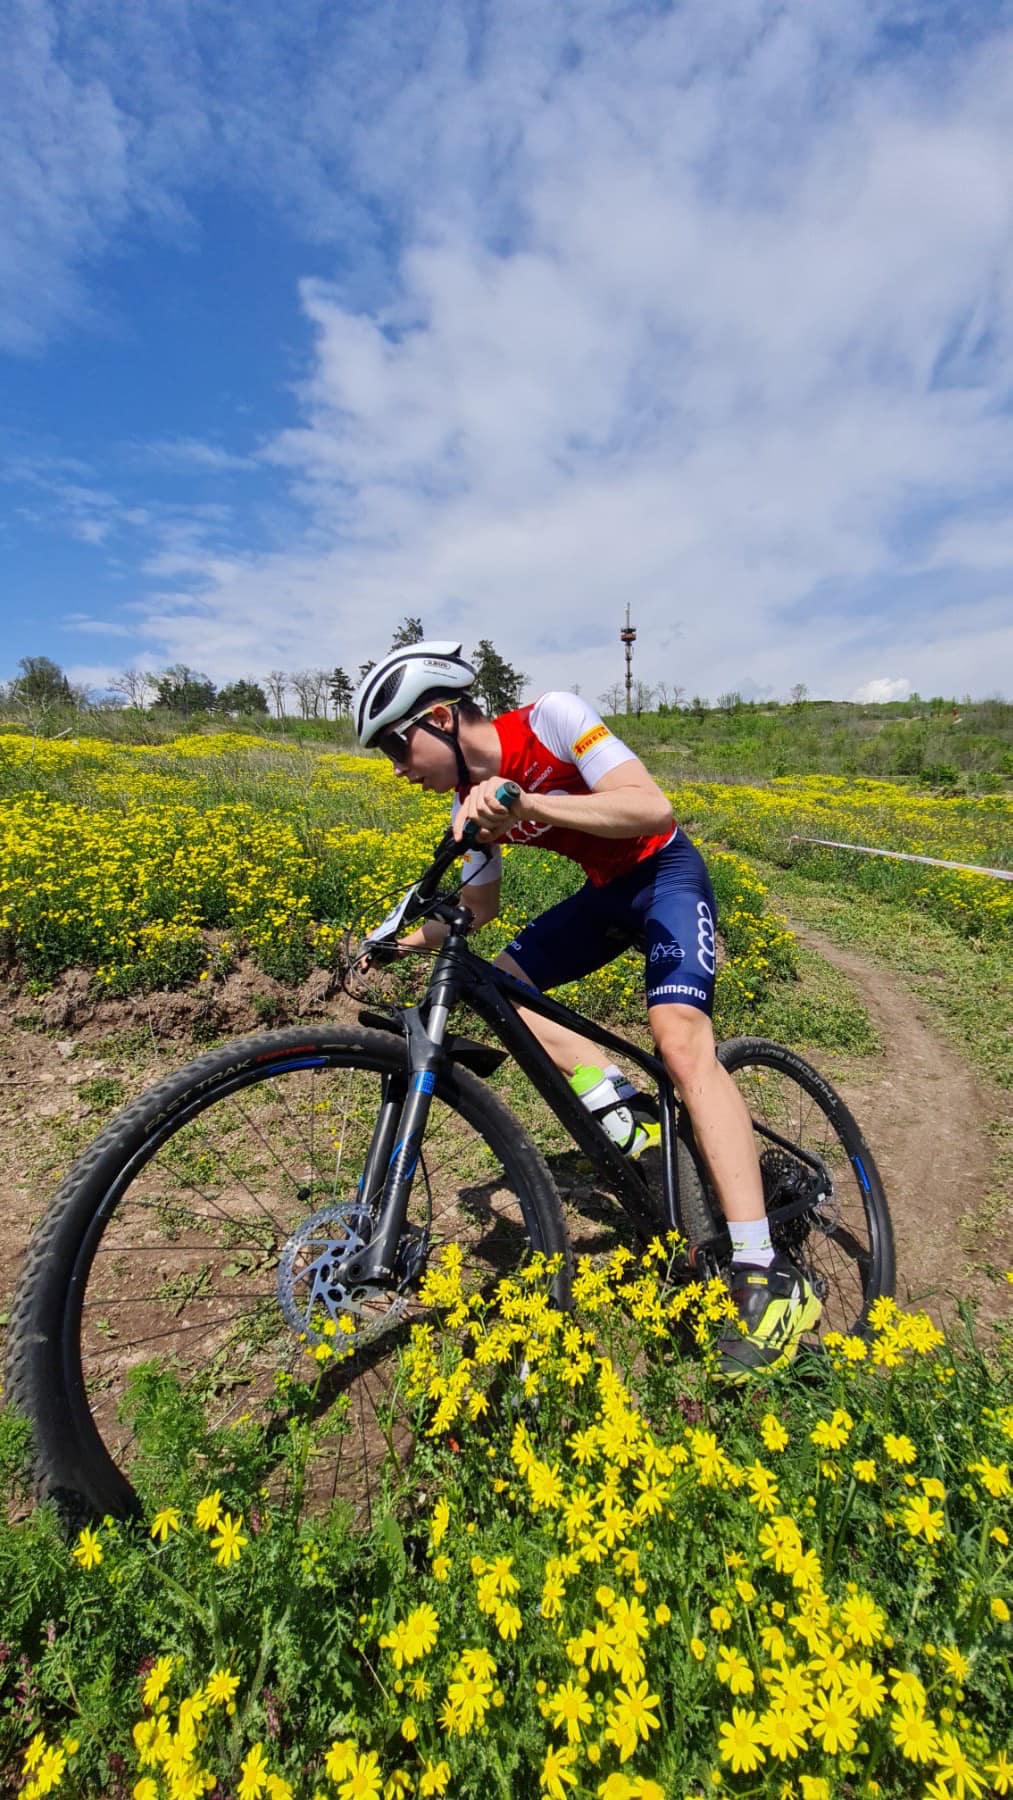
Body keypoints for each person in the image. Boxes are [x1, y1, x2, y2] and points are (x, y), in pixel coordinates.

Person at [352, 640, 820, 1378]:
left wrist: (525, 802)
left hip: (667, 875)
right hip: (604, 896)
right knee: (506, 986)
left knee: (679, 1043)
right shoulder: (464, 802)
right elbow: (477, 908)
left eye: (394, 745)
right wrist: (394, 942)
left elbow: (650, 806)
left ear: (439, 719)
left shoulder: (553, 718)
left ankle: (765, 1273)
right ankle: (625, 1112)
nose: (396, 768)